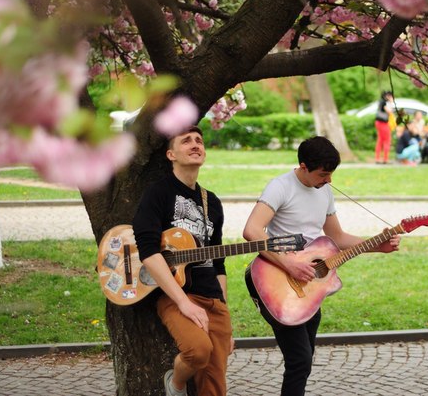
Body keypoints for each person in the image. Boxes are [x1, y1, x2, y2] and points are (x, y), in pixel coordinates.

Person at [242, 136, 401, 396]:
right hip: (276, 280)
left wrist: (377, 245)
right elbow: (251, 231)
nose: (329, 181)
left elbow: (337, 237)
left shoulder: (324, 191)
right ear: (303, 166)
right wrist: (289, 264)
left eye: (331, 174)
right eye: (323, 174)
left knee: (303, 362)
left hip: (308, 285)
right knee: (300, 360)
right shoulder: (280, 187)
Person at [132, 126, 233, 396]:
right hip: (176, 295)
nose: (195, 144)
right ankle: (175, 384)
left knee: (214, 385)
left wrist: (223, 308)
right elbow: (149, 253)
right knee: (198, 352)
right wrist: (183, 303)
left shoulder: (211, 202)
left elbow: (218, 260)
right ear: (171, 154)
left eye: (199, 140)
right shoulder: (159, 193)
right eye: (186, 140)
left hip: (213, 300)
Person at [374, 91, 394, 164]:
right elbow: (389, 112)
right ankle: (385, 159)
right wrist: (391, 103)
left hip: (379, 123)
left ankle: (377, 158)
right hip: (383, 123)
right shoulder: (384, 102)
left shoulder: (381, 102)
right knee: (387, 140)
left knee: (380, 141)